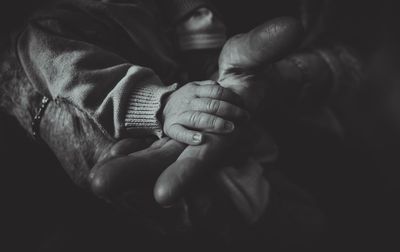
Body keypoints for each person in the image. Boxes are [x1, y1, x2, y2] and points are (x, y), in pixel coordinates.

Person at [0, 0, 364, 250]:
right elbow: (76, 73)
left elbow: (190, 13)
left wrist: (210, 62)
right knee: (230, 208)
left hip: (209, 103)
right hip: (142, 129)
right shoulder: (47, 30)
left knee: (289, 202)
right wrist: (159, 105)